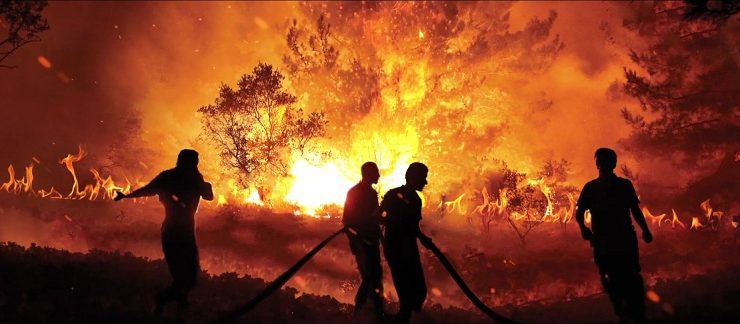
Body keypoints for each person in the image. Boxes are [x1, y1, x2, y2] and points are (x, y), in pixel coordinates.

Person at [114, 149, 213, 316]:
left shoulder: (191, 178)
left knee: (190, 276)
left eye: (196, 161)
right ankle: (165, 301)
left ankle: (176, 304)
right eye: (194, 161)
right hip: (174, 232)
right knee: (184, 276)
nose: (196, 164)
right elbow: (149, 189)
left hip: (185, 232)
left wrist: (127, 196)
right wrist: (127, 196)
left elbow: (209, 195)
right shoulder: (173, 178)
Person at [575, 148, 653, 323]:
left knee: (630, 275)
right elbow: (579, 213)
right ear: (597, 164)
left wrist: (645, 230)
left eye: (604, 160)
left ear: (612, 163)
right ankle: (623, 311)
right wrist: (583, 229)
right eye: (600, 160)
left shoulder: (623, 185)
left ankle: (636, 313)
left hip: (623, 237)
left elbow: (635, 210)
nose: (601, 163)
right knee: (609, 276)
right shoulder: (591, 187)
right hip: (603, 239)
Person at [376, 162, 432, 323]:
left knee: (420, 291)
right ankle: (403, 318)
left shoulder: (416, 200)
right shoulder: (393, 195)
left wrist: (423, 239)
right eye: (423, 178)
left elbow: (413, 227)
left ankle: (407, 317)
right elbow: (378, 216)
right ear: (413, 177)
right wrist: (385, 240)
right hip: (396, 249)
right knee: (407, 295)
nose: (425, 182)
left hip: (409, 249)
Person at [343, 162, 384, 317]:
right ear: (368, 174)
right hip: (362, 243)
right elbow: (347, 222)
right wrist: (355, 240)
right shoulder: (354, 193)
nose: (379, 176)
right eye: (376, 173)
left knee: (375, 276)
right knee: (370, 276)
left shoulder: (372, 193)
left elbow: (374, 219)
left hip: (372, 242)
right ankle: (359, 310)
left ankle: (376, 311)